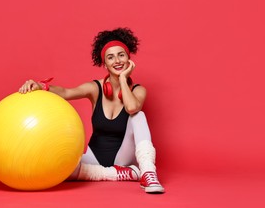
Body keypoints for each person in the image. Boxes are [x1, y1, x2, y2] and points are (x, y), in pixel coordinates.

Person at [18, 27, 165, 194]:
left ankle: (148, 172)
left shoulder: (138, 90)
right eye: (110, 57)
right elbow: (67, 92)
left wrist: (123, 78)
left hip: (123, 157)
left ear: (129, 59)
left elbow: (131, 107)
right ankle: (120, 174)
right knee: (57, 171)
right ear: (105, 64)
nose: (117, 60)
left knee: (138, 115)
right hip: (94, 157)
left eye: (121, 55)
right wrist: (41, 86)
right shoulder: (95, 88)